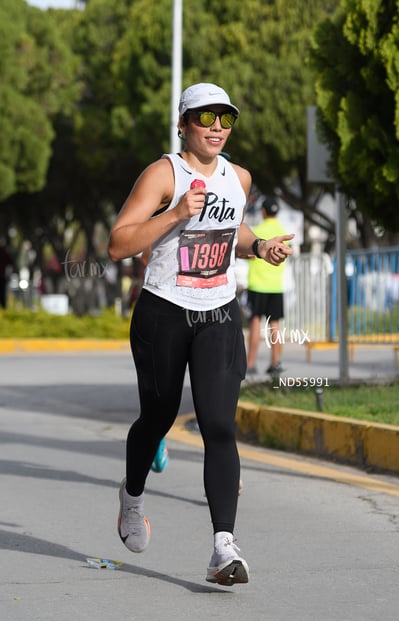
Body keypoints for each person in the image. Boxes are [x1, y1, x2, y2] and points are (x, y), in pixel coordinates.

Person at [108, 82, 293, 586]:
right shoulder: (164, 173)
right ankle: (133, 496)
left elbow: (235, 231)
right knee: (158, 416)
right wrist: (175, 214)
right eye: (205, 117)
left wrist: (261, 248)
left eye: (225, 119)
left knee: (218, 424)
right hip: (164, 312)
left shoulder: (240, 177)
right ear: (184, 123)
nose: (216, 127)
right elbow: (118, 243)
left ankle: (222, 547)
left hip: (218, 313)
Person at [246, 196, 287, 377]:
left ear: (263, 211)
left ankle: (251, 363)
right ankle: (275, 362)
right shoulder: (282, 232)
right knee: (275, 325)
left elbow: (250, 254)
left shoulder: (258, 231)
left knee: (255, 322)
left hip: (257, 284)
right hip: (276, 286)